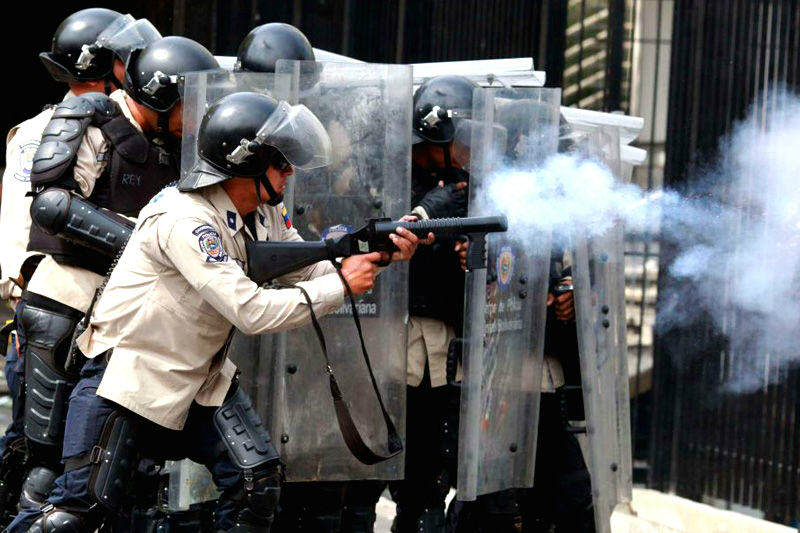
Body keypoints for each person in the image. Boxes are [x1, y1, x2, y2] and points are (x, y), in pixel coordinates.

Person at [13, 90, 424, 532]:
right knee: (76, 515)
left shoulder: (263, 213)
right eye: (279, 163)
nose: (288, 173)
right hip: (131, 379)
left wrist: (374, 256)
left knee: (256, 486)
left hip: (200, 381)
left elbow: (307, 271)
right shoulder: (185, 219)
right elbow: (251, 311)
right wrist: (342, 284)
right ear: (244, 161)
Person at [8, 35, 217, 528]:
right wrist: (150, 241)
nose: (199, 111)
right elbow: (53, 206)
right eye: (191, 98)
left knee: (114, 472)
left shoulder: (172, 145)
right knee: (47, 464)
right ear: (164, 94)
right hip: (66, 305)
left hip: (126, 320)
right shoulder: (93, 119)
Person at [0, 9, 160, 524]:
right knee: (47, 460)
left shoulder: (112, 130)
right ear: (107, 65)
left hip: (87, 309)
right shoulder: (54, 131)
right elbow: (39, 223)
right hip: (55, 305)